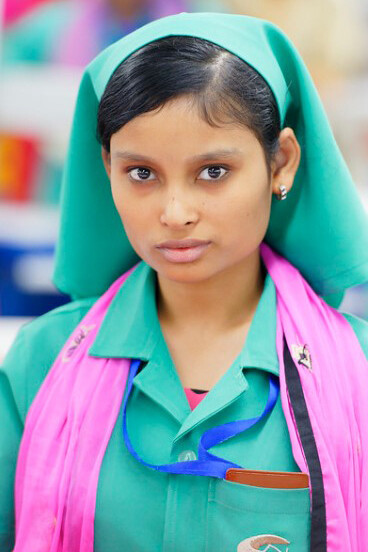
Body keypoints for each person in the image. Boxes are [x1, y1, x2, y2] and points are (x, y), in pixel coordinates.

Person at [1, 11, 368, 552]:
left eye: (213, 171)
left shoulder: (357, 373)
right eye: (141, 173)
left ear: (282, 162)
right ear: (107, 168)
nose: (175, 213)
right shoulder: (43, 360)